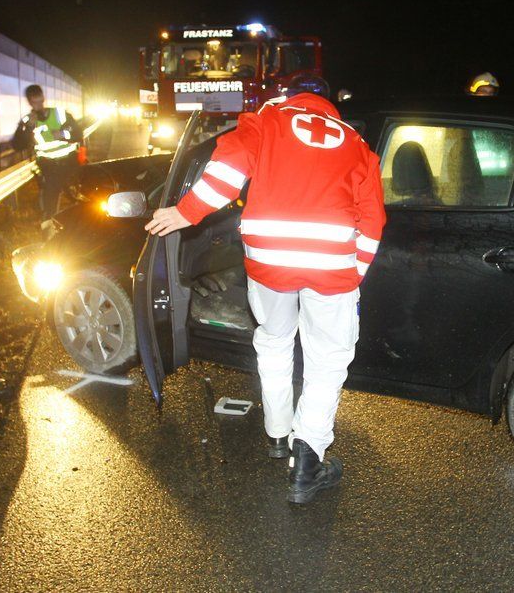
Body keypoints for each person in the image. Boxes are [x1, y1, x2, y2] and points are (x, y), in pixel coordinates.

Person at [146, 87, 385, 504]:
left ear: (291, 98)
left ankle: (277, 432)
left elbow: (227, 170)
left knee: (274, 340)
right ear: (329, 107)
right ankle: (307, 462)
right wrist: (354, 274)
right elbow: (373, 220)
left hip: (268, 260)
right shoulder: (356, 144)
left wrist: (185, 212)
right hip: (331, 265)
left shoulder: (268, 121)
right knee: (327, 359)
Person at [12, 84, 83, 235]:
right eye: (34, 103)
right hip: (49, 167)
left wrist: (63, 135)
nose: (38, 105)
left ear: (43, 98)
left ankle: (82, 230)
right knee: (49, 205)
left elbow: (78, 133)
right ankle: (50, 237)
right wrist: (27, 128)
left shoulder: (59, 114)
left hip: (69, 164)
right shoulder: (28, 121)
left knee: (79, 197)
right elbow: (17, 145)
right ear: (30, 102)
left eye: (40, 101)